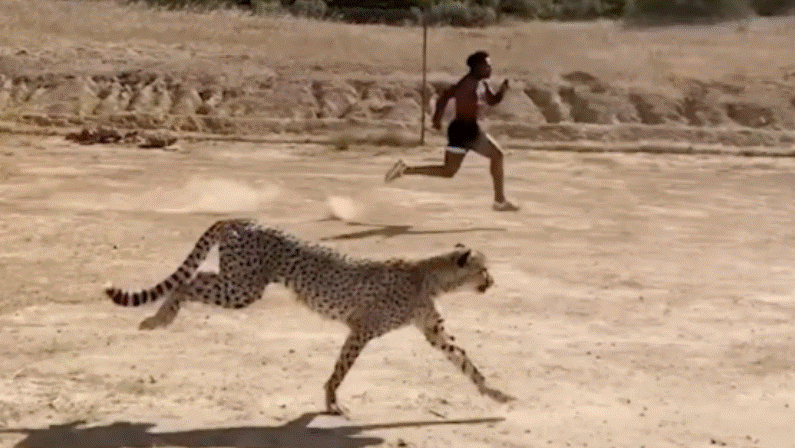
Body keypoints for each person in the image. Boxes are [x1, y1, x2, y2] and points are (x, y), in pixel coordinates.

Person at [384, 50, 519, 212]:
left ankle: (405, 169)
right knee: (494, 156)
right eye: (487, 66)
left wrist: (503, 90)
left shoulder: (481, 83)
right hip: (462, 130)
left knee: (449, 171)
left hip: (469, 129)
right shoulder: (467, 84)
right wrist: (436, 119)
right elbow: (445, 96)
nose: (490, 69)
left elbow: (492, 100)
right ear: (478, 67)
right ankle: (499, 201)